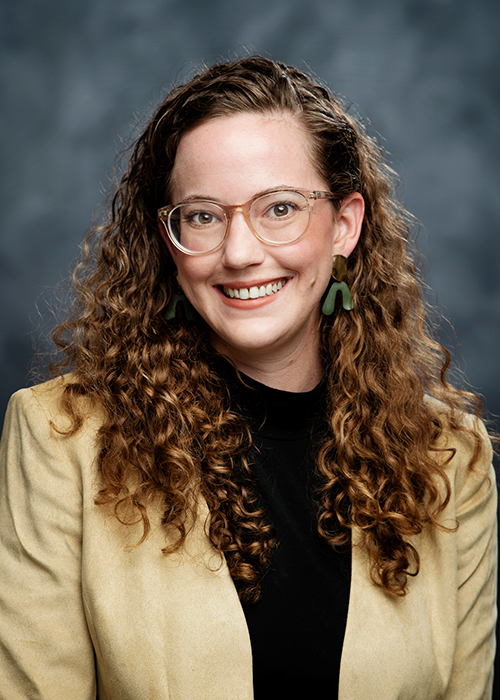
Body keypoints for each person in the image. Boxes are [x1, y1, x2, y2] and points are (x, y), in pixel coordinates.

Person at [0, 56, 496, 700]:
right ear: (167, 239)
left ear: (345, 224)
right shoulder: (59, 439)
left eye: (279, 208)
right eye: (203, 215)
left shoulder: (452, 461)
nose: (238, 252)